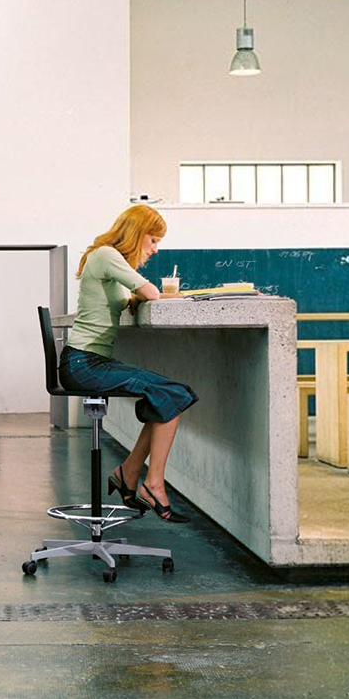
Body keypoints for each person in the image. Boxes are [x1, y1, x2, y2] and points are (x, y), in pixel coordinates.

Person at [59, 204, 198, 523]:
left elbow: (136, 297)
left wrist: (134, 298)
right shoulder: (107, 255)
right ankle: (153, 485)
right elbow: (151, 291)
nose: (155, 249)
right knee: (173, 394)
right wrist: (143, 294)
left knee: (169, 395)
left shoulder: (106, 259)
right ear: (137, 234)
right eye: (153, 240)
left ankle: (129, 473)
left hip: (87, 362)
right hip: (83, 364)